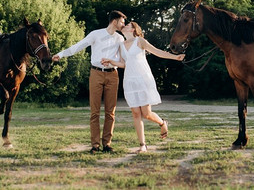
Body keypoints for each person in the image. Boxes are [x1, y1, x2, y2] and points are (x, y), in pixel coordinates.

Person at [101, 22, 185, 153]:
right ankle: (142, 145)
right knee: (135, 114)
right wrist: (111, 61)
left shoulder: (140, 41)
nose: (124, 26)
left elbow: (157, 52)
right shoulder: (121, 45)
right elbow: (124, 64)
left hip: (143, 79)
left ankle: (162, 123)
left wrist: (175, 57)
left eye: (127, 25)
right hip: (130, 81)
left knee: (146, 114)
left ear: (133, 29)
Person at [52, 10, 126, 154]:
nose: (124, 25)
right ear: (115, 21)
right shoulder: (95, 34)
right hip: (96, 73)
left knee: (111, 112)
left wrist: (111, 61)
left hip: (113, 75)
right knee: (95, 112)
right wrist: (61, 55)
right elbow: (78, 46)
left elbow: (123, 60)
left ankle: (107, 144)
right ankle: (95, 145)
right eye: (122, 22)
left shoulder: (120, 39)